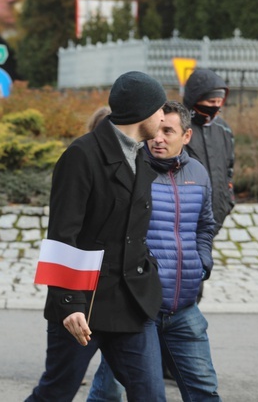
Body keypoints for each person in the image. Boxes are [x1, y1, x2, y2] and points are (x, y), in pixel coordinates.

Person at [25, 71, 167, 402]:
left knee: (151, 396)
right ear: (143, 110)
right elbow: (62, 236)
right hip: (82, 306)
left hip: (131, 303)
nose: (163, 116)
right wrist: (70, 304)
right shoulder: (82, 155)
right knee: (56, 393)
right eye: (160, 108)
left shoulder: (141, 156)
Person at [88, 101, 221, 401]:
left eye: (168, 131)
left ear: (186, 136)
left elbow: (205, 225)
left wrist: (202, 264)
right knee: (114, 390)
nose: (158, 137)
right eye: (155, 129)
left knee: (204, 390)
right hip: (136, 309)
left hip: (183, 308)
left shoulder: (198, 173)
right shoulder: (131, 169)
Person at [183, 69, 235, 236]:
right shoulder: (178, 126)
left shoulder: (224, 129)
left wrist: (228, 201)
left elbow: (229, 169)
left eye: (220, 101)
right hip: (183, 218)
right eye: (212, 101)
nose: (216, 106)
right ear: (196, 99)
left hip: (215, 216)